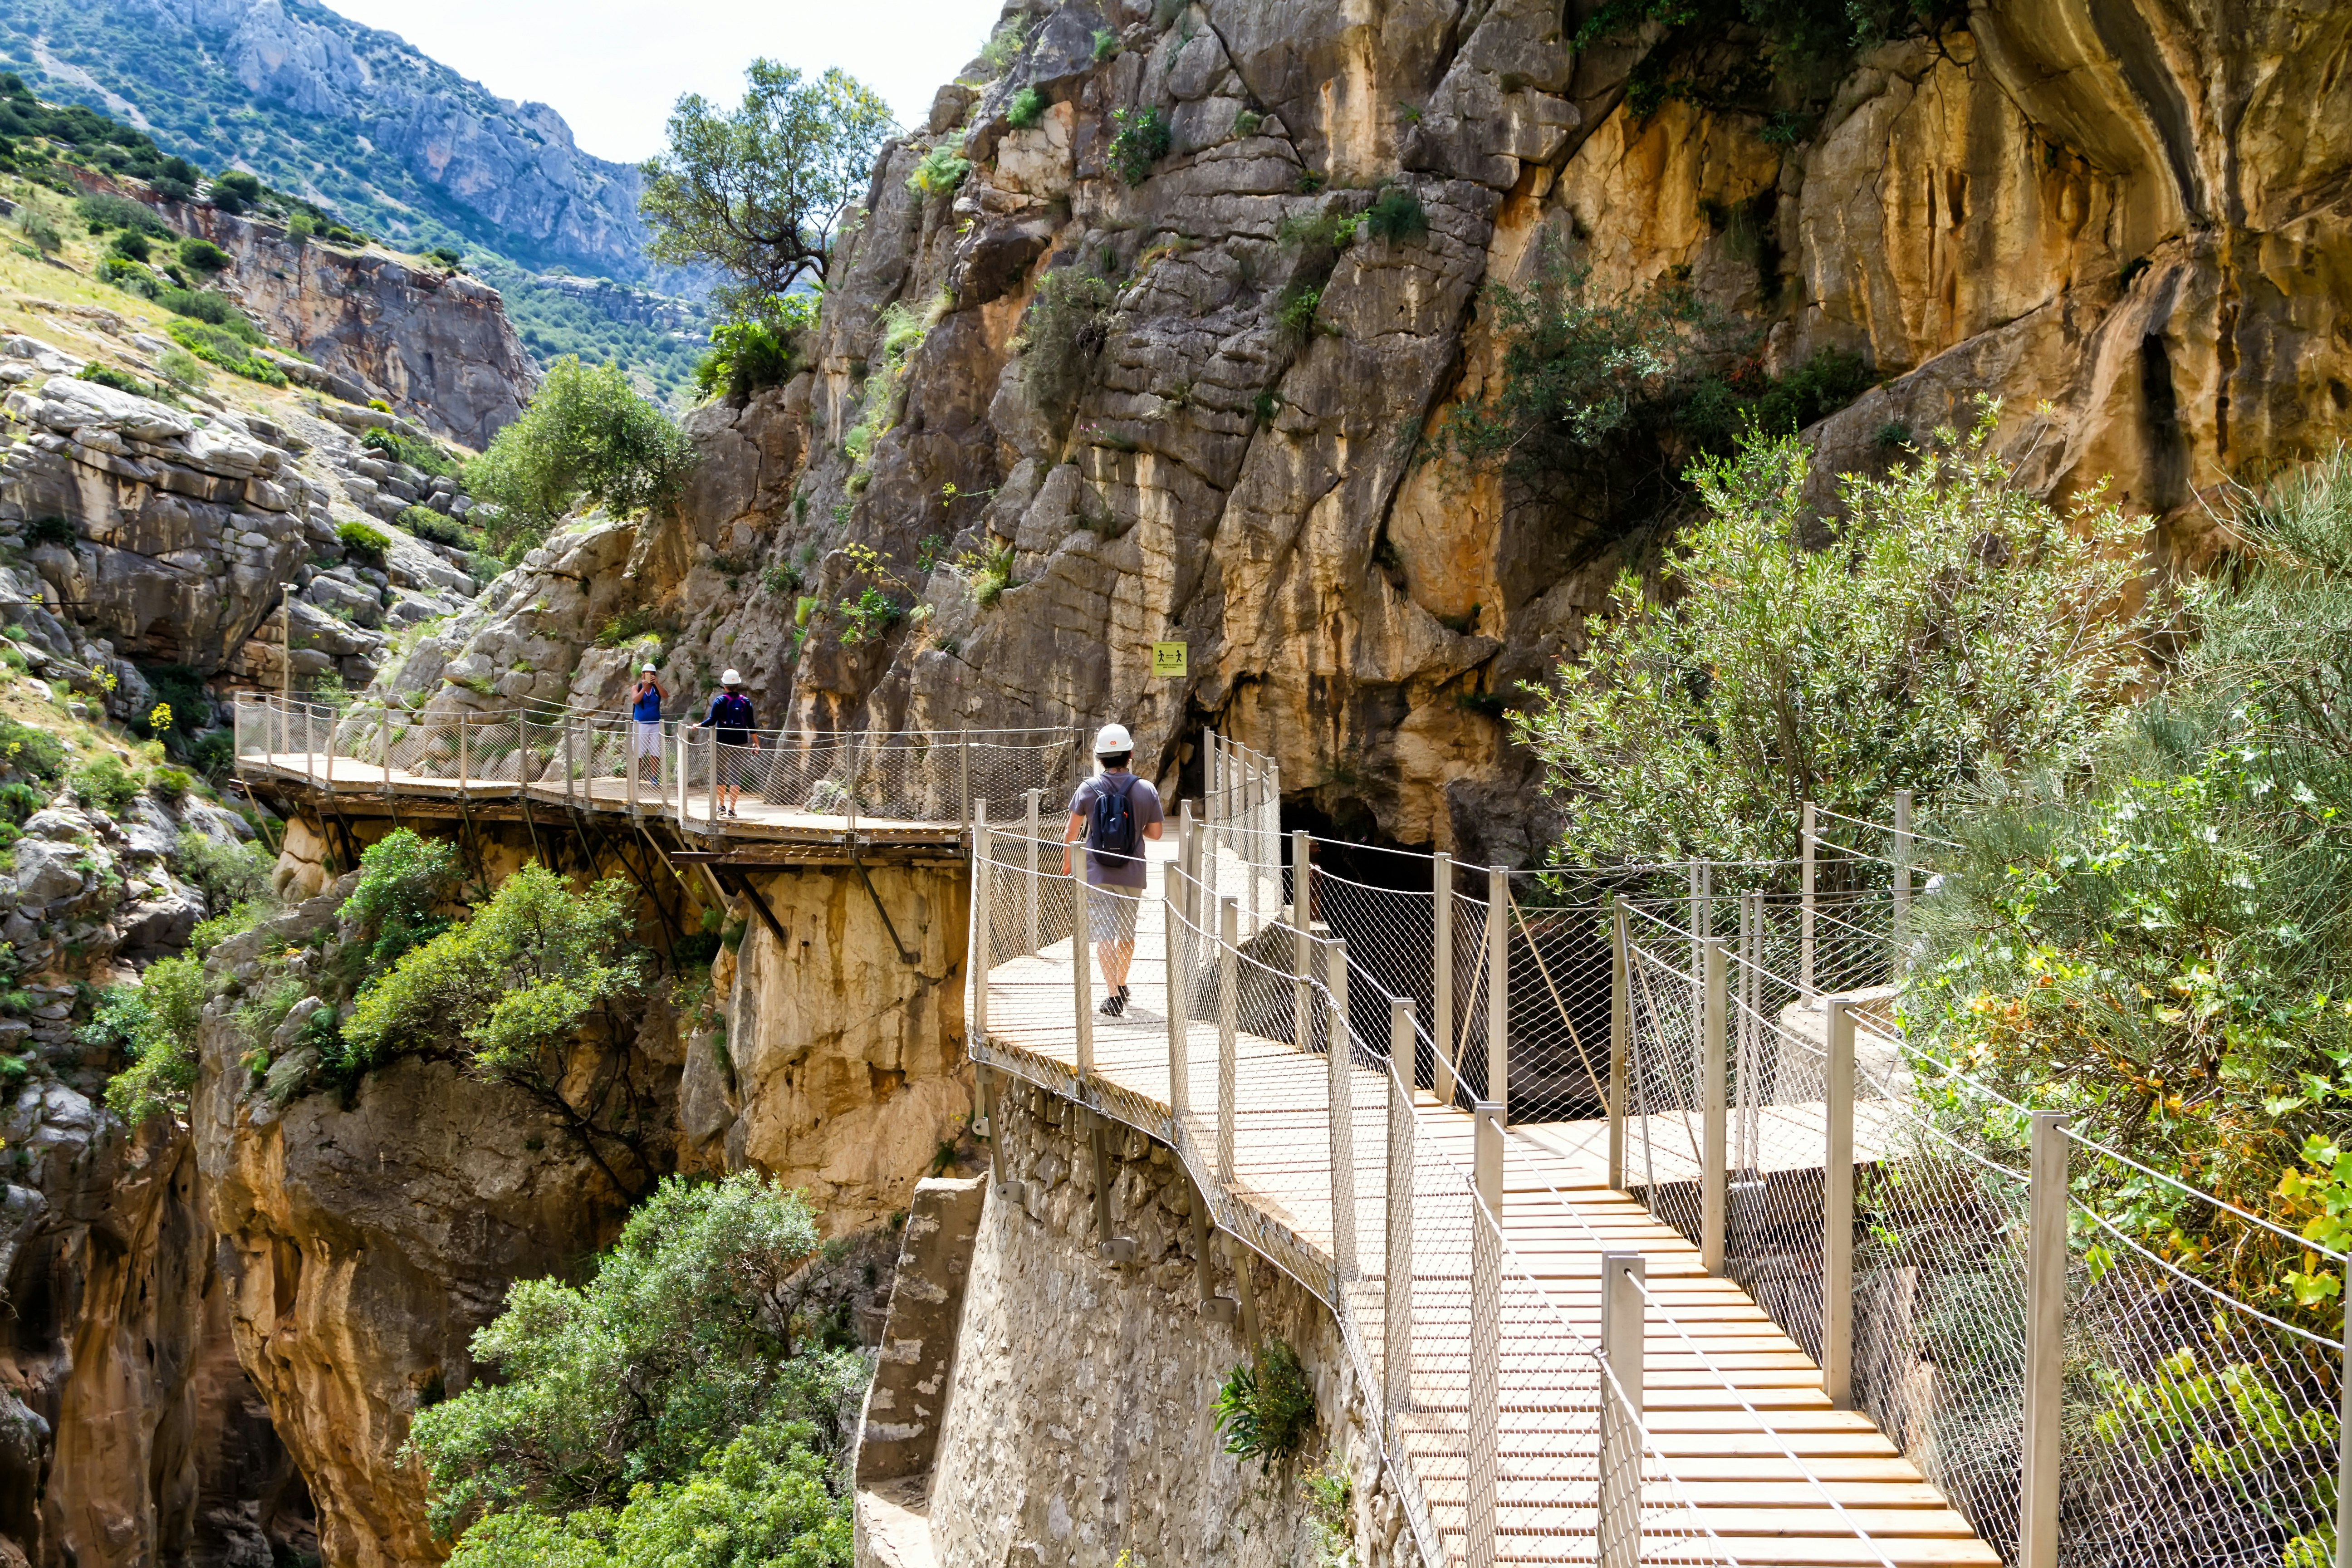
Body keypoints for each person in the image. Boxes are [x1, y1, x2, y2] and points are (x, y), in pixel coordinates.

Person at [1062, 723, 1164, 1016]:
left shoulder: (1088, 789)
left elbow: (1072, 833)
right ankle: (1121, 983)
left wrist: (1069, 862)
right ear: (1130, 754)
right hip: (1133, 873)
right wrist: (1134, 826)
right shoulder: (1146, 790)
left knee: (1104, 934)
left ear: (1099, 757)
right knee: (1126, 934)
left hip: (1098, 873)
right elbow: (1156, 834)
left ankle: (1113, 995)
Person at [700, 669, 761, 818]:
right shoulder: (745, 702)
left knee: (720, 775)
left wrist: (698, 725)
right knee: (736, 775)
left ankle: (721, 806)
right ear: (738, 684)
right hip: (741, 742)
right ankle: (732, 809)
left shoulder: (720, 701)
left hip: (722, 742)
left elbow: (712, 721)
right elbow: (751, 725)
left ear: (724, 685)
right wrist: (756, 743)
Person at [629, 663, 665, 786]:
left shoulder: (656, 689)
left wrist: (656, 684)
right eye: (647, 674)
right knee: (638, 751)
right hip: (640, 724)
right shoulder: (637, 687)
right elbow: (635, 700)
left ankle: (654, 777)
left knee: (655, 751)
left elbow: (666, 696)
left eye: (652, 674)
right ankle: (636, 777)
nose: (649, 676)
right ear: (642, 675)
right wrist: (644, 688)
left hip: (655, 724)